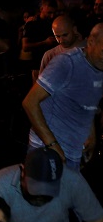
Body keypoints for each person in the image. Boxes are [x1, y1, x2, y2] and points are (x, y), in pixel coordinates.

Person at [22, 22, 103, 171]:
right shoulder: (67, 63)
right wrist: (52, 144)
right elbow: (30, 102)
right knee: (42, 192)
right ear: (91, 42)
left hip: (72, 149)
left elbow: (86, 103)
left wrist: (91, 135)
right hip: (46, 149)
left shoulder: (97, 67)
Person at [0, 147, 103, 222]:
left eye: (48, 189)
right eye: (36, 187)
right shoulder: (0, 184)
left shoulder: (71, 180)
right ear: (22, 171)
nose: (41, 195)